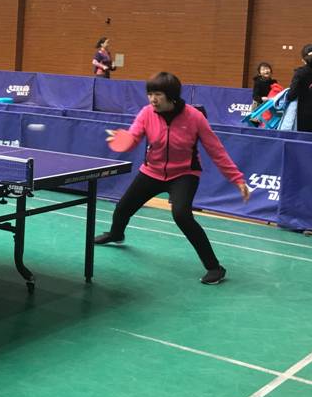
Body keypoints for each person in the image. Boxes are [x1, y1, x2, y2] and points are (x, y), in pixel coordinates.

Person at [95, 72, 250, 285]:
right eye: (150, 94)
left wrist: (237, 179)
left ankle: (215, 267)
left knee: (182, 215)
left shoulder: (194, 117)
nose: (152, 99)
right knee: (123, 207)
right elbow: (134, 137)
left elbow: (216, 150)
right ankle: (116, 234)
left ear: (172, 96)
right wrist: (125, 140)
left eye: (158, 94)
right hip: (152, 171)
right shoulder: (146, 113)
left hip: (184, 174)